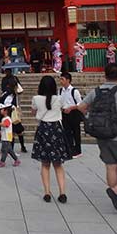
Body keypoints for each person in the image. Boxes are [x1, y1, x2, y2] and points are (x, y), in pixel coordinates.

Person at [65, 63, 117, 213]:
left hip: (102, 134)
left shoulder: (97, 91)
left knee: (111, 166)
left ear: (104, 75)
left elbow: (81, 107)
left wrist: (90, 117)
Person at [31, 75, 70, 203]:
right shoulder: (59, 98)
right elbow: (64, 110)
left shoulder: (36, 98)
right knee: (58, 165)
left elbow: (33, 112)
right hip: (56, 130)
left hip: (43, 130)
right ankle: (62, 192)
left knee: (45, 164)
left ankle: (47, 192)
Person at [59, 72, 83, 158]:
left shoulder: (74, 91)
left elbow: (80, 104)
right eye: (60, 79)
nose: (61, 81)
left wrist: (71, 108)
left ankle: (78, 151)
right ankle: (70, 149)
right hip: (64, 113)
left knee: (76, 132)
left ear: (68, 80)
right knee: (67, 132)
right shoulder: (61, 90)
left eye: (62, 79)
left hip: (74, 113)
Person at [0, 102, 20, 167]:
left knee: (4, 150)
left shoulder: (7, 119)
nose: (1, 110)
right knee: (9, 150)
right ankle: (16, 160)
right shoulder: (4, 118)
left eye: (2, 109)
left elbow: (5, 125)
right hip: (5, 136)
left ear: (6, 111)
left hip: (7, 137)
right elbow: (3, 128)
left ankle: (2, 162)